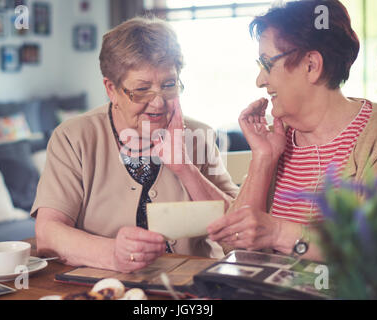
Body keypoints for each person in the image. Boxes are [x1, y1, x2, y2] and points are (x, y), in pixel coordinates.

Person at [31, 17, 239, 273]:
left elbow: (239, 231)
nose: (159, 103)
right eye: (141, 90)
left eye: (169, 85)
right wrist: (113, 254)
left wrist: (186, 168)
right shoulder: (73, 138)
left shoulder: (200, 135)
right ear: (111, 89)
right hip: (107, 285)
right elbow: (48, 233)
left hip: (194, 285)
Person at [208, 0, 377, 262]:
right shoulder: (276, 139)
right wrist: (263, 159)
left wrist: (278, 233)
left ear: (311, 65)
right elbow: (234, 248)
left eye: (267, 64)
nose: (260, 80)